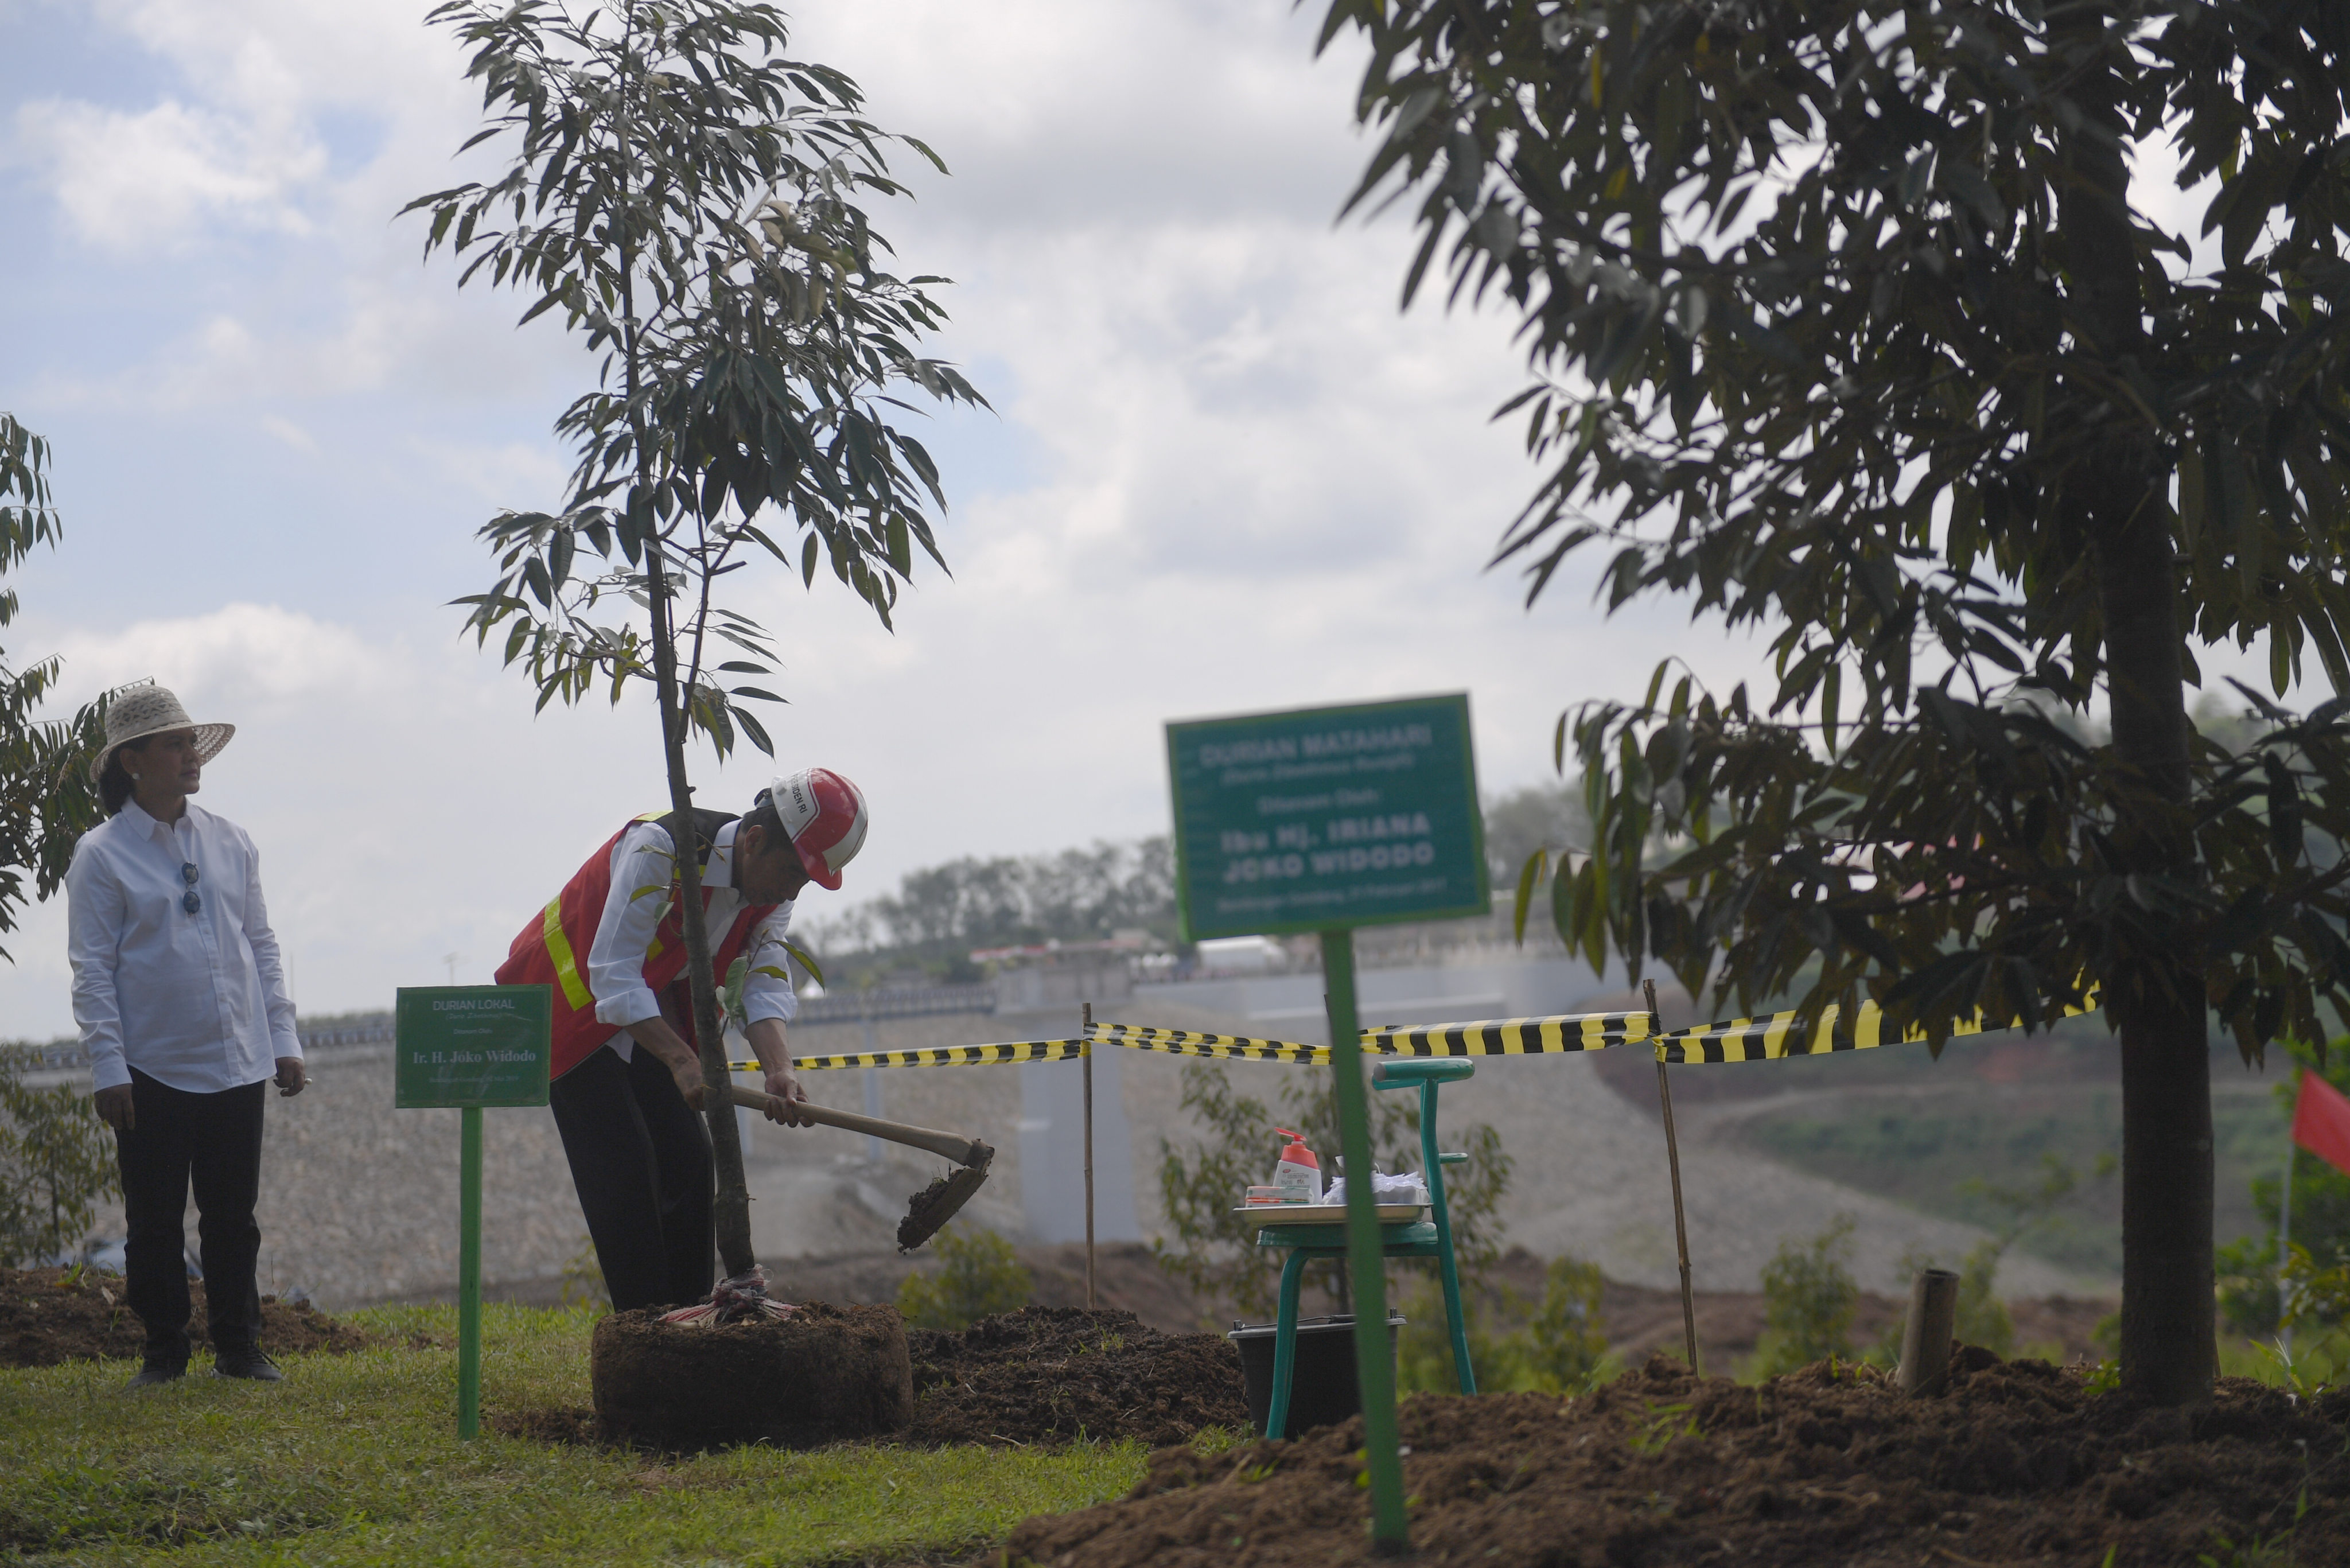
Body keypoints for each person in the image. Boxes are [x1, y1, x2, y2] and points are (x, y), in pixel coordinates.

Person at [496, 768, 867, 1312]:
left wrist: (779, 1067)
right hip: (568, 1010)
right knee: (624, 1175)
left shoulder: (772, 890)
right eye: (792, 871)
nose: (793, 889)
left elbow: (762, 977)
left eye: (805, 881)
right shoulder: (661, 849)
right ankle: (643, 1327)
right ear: (755, 838)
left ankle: (693, 1315)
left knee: (690, 1163)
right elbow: (614, 973)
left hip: (647, 1016)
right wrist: (679, 1059)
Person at [66, 682, 306, 1388]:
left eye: (191, 741)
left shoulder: (231, 841)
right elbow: (93, 970)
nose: (190, 754)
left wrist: (282, 1038)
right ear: (133, 761)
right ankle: (164, 1348)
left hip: (236, 1058)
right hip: (152, 1068)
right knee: (155, 1220)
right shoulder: (102, 856)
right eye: (174, 743)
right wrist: (109, 1067)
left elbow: (261, 945)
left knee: (234, 1216)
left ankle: (239, 1344)